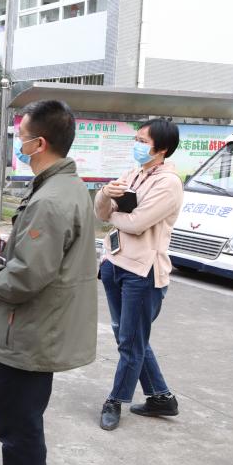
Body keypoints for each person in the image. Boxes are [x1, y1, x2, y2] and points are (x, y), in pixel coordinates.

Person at [0, 100, 97, 465]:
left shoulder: (51, 200)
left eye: (19, 137)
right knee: (22, 415)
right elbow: (43, 255)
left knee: (18, 420)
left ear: (39, 143)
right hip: (42, 325)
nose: (16, 144)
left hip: (32, 329)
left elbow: (26, 277)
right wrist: (11, 242)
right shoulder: (65, 187)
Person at [94, 118, 184, 431]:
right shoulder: (133, 173)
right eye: (137, 139)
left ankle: (115, 401)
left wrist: (114, 214)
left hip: (143, 273)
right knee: (131, 337)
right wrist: (105, 193)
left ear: (162, 149)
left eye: (143, 141)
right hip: (115, 264)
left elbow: (137, 224)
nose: (137, 145)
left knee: (130, 343)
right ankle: (161, 398)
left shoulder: (168, 184)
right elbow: (101, 212)